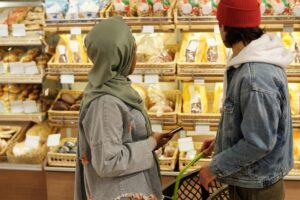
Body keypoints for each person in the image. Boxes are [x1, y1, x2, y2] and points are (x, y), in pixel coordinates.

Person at [199, 0, 294, 199]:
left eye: (220, 24)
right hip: (252, 179)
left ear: (226, 26)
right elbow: (254, 126)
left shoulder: (254, 76)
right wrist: (221, 142)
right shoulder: (251, 63)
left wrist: (214, 168)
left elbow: (258, 142)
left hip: (256, 187)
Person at [75, 16, 173, 200]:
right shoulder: (106, 103)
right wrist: (149, 144)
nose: (135, 56)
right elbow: (108, 162)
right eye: (132, 50)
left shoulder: (113, 89)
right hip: (120, 193)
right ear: (120, 55)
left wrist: (152, 141)